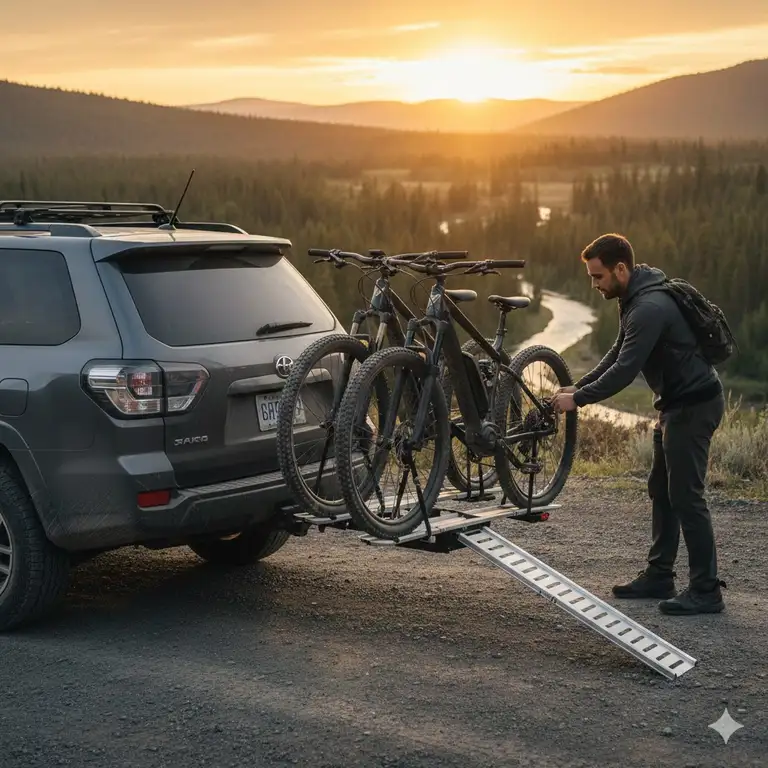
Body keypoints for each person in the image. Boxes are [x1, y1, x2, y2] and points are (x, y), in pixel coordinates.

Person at [551, 233, 727, 615]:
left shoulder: (648, 308)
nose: (594, 285)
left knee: (686, 496)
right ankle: (660, 574)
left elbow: (625, 371)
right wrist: (577, 385)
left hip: (693, 407)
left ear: (620, 269)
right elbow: (617, 353)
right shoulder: (635, 299)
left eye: (598, 277)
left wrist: (577, 400)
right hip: (674, 406)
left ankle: (706, 590)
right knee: (661, 490)